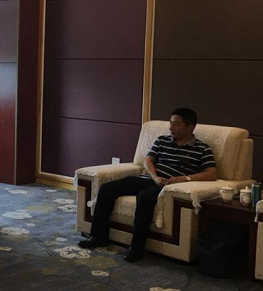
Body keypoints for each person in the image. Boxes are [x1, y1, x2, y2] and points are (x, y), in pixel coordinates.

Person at [78, 108, 217, 263]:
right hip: (149, 178)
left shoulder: (202, 149)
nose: (171, 127)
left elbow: (211, 173)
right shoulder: (162, 140)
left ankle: (136, 248)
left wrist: (185, 178)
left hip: (167, 186)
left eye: (176, 124)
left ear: (190, 127)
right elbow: (148, 160)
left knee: (144, 197)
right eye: (170, 123)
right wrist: (155, 176)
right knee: (107, 189)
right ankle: (98, 237)